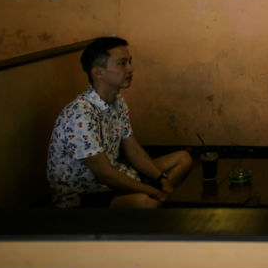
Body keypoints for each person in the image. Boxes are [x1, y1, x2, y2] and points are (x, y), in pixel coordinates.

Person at [46, 36, 193, 207]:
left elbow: (132, 149)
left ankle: (158, 198)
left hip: (116, 177)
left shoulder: (118, 102)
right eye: (122, 64)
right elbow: (105, 175)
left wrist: (161, 179)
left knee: (183, 159)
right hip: (85, 195)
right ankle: (156, 199)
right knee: (144, 202)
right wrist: (153, 191)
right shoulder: (80, 114)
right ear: (98, 72)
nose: (130, 69)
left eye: (129, 62)